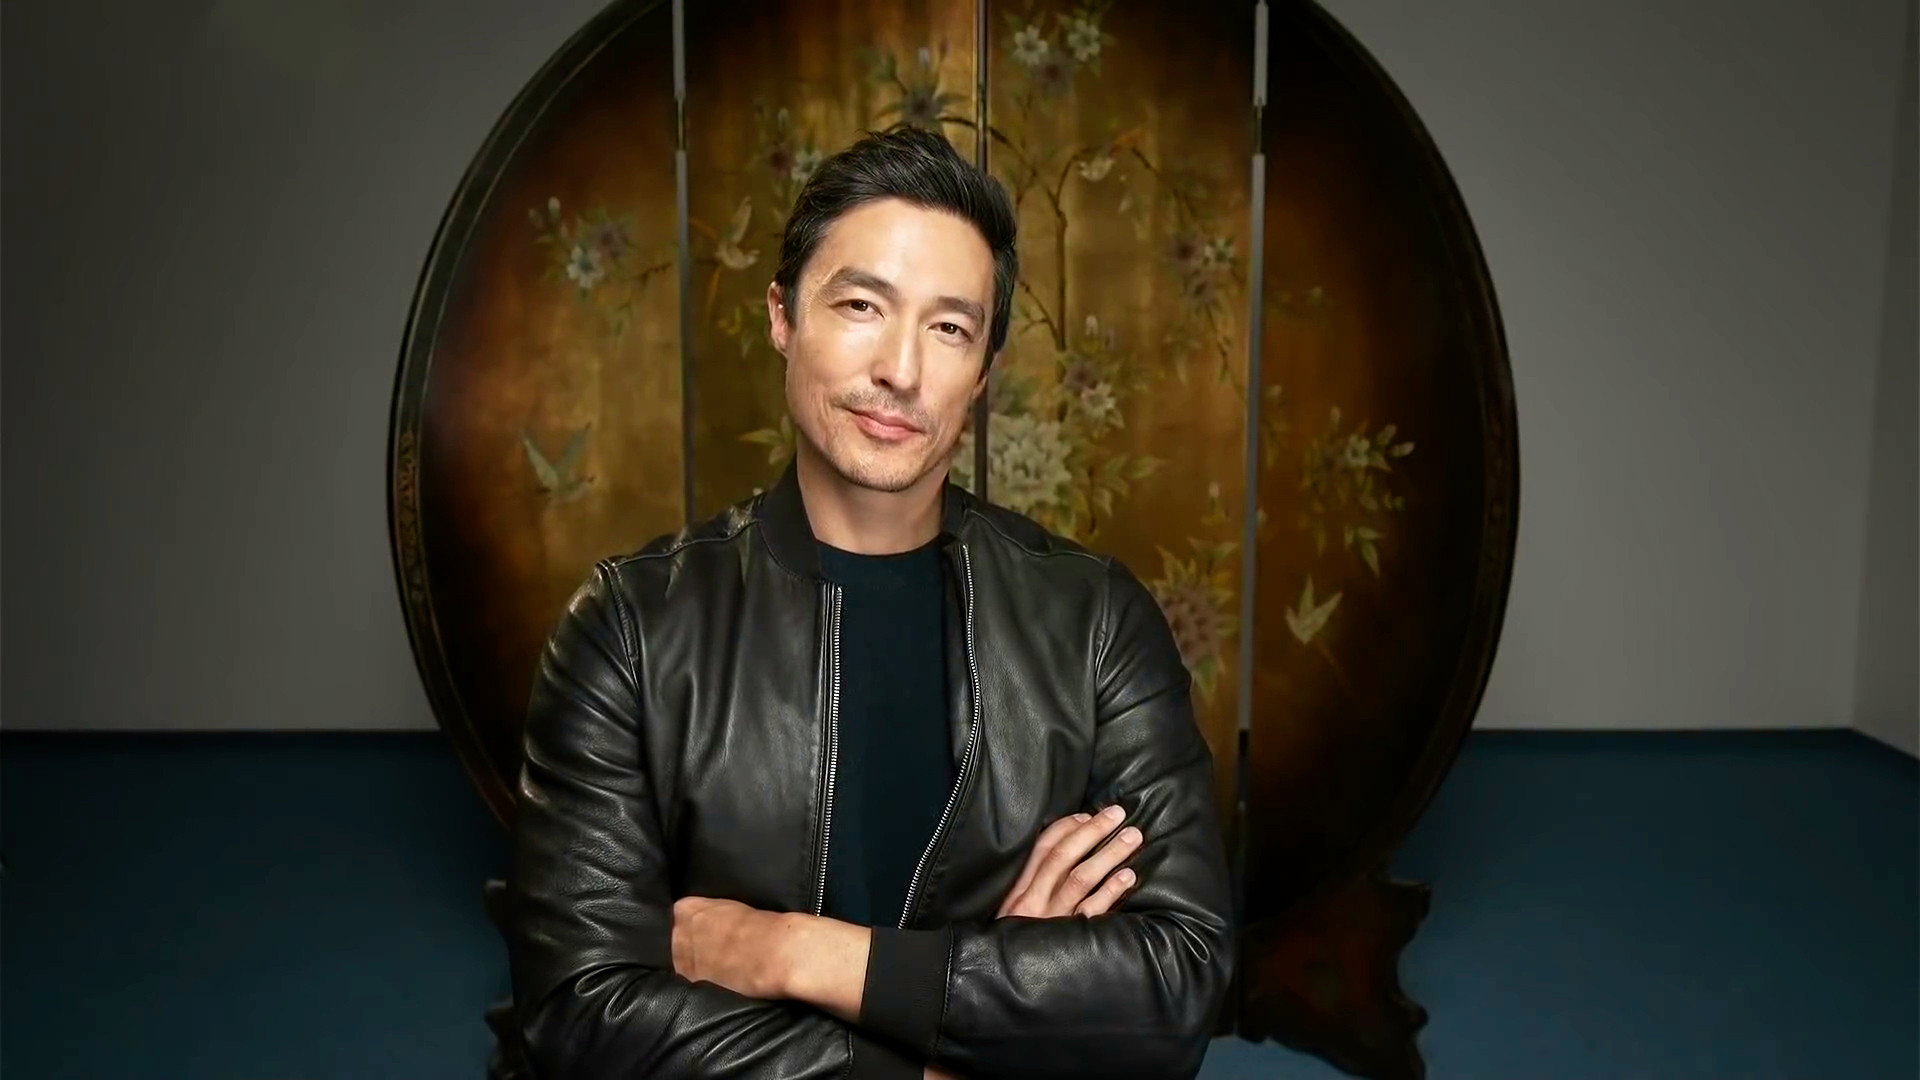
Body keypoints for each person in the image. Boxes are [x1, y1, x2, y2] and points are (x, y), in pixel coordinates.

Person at [497, 124, 1234, 1080]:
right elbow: (581, 1014)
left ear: (983, 370)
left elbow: (1179, 982)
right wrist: (959, 1048)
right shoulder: (629, 629)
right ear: (782, 316)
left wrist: (793, 953)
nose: (901, 370)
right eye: (860, 305)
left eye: (949, 328)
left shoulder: (1094, 621)